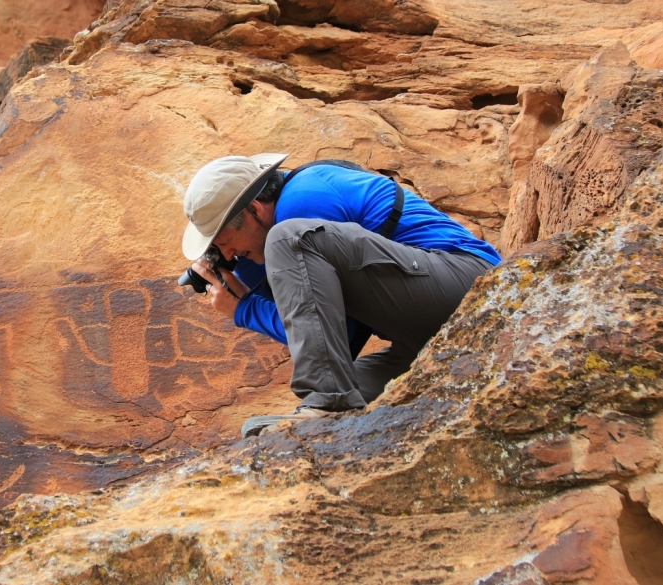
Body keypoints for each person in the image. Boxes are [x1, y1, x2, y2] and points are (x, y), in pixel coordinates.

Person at [181, 153, 500, 437]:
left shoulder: (300, 201)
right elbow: (321, 334)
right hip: (429, 335)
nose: (228, 253)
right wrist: (246, 282)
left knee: (286, 239)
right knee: (353, 397)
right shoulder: (279, 243)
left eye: (224, 241)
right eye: (218, 251)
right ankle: (328, 420)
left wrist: (247, 310)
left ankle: (326, 401)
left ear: (254, 209)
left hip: (475, 287)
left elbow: (341, 336)